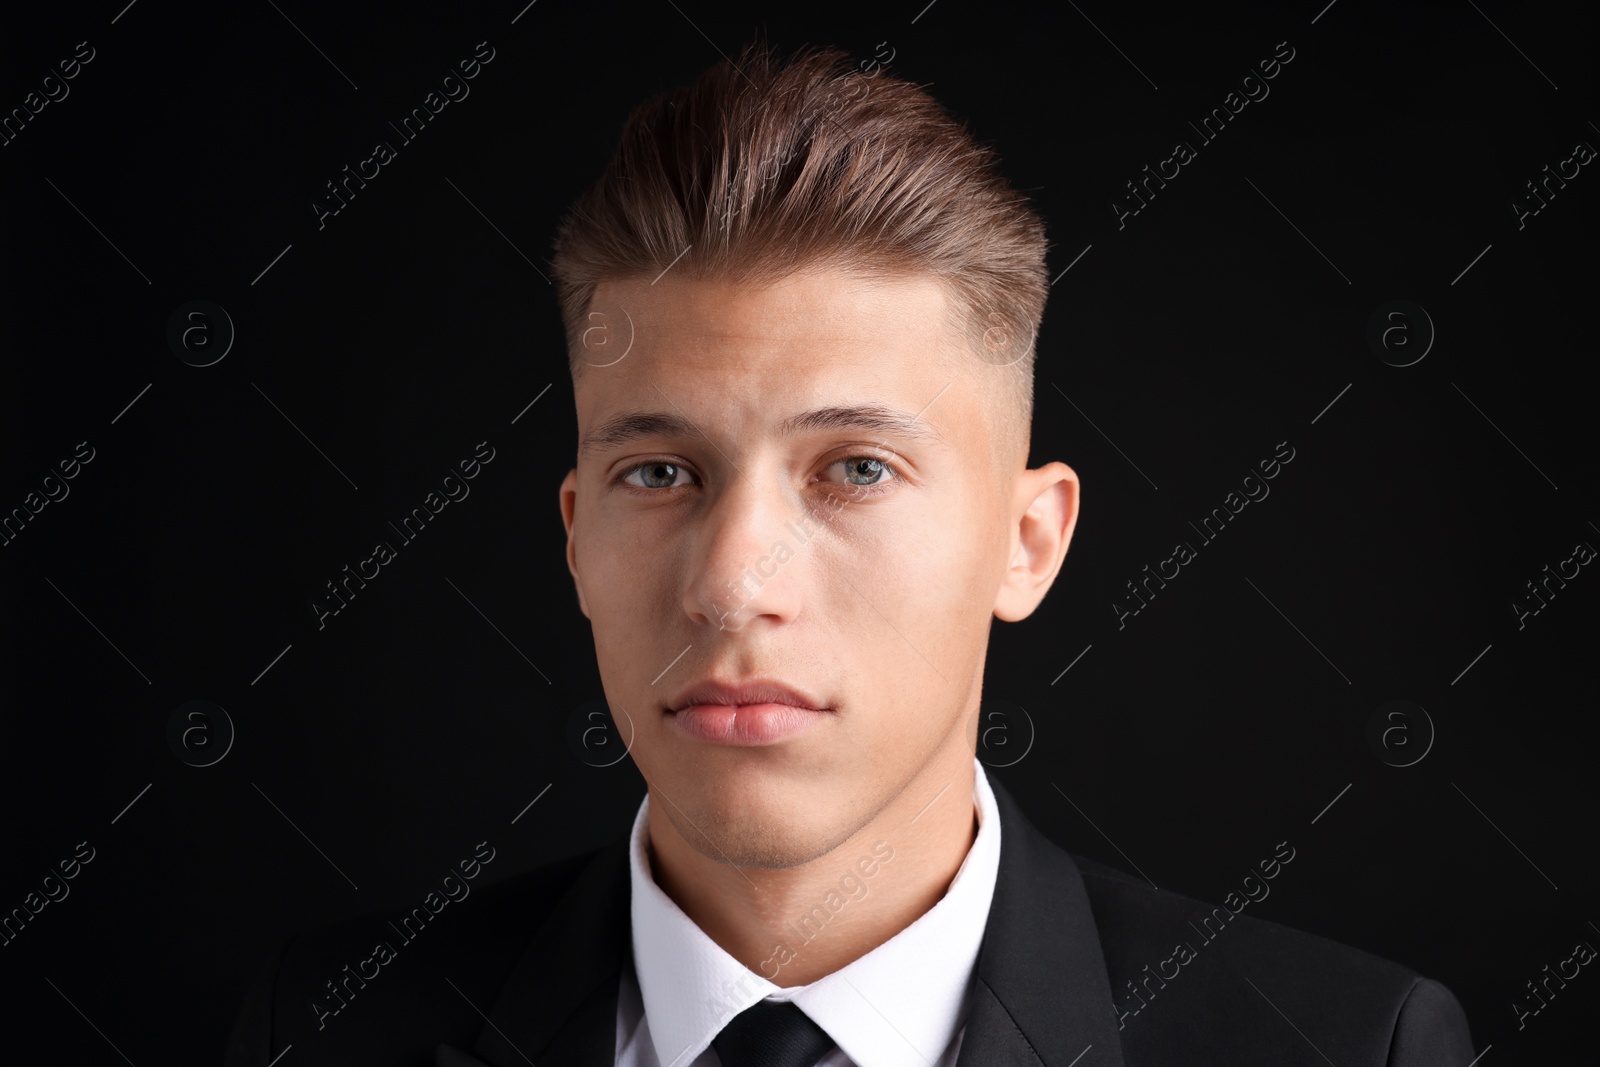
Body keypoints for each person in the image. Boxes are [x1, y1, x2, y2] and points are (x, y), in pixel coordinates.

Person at [225, 36, 1475, 1067]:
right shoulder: (333, 1029)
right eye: (659, 473)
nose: (731, 584)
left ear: (1025, 543)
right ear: (574, 539)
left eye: (855, 469)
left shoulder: (1346, 1048)